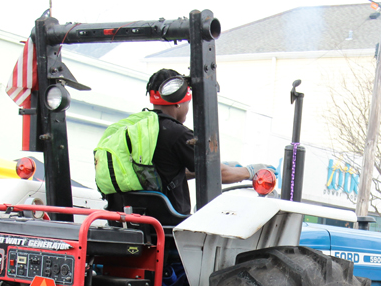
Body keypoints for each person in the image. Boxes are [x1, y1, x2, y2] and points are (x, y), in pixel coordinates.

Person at [100, 68, 269, 217]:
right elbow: (216, 174)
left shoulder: (140, 130)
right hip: (169, 226)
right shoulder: (178, 134)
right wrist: (250, 171)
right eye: (188, 102)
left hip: (130, 221)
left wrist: (222, 168)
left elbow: (162, 173)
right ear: (179, 102)